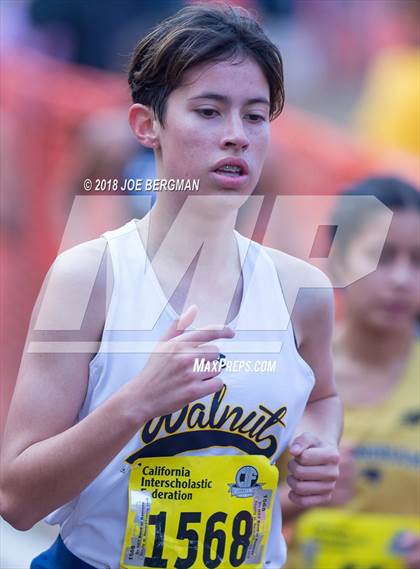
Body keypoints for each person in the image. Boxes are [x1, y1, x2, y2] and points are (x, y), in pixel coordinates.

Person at [0, 5, 342, 568]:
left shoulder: (302, 290)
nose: (236, 136)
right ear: (146, 125)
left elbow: (323, 396)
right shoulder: (86, 279)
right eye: (209, 112)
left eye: (255, 118)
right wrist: (135, 401)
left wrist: (317, 444)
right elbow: (16, 500)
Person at [280, 176, 420, 569]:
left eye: (418, 261)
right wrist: (298, 499)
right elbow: (229, 508)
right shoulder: (286, 375)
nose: (401, 279)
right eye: (381, 256)